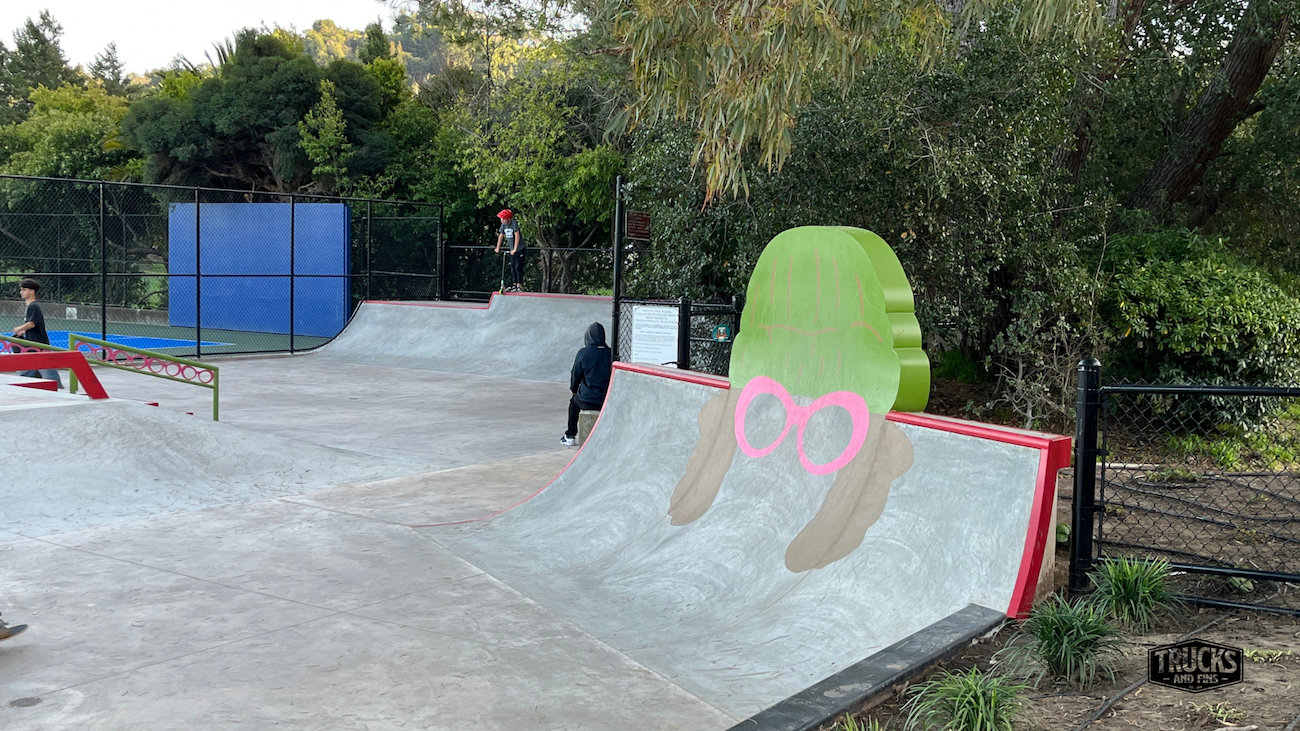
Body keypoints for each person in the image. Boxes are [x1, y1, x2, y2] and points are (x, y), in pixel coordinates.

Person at [562, 322, 612, 446]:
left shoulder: (584, 353)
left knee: (573, 403)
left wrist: (573, 389)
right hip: (607, 399)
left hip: (587, 399)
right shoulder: (611, 353)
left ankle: (570, 435)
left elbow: (575, 374)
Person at [11, 278, 61, 389]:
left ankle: (57, 386)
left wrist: (19, 328)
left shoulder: (33, 306)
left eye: (24, 290)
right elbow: (33, 324)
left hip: (38, 344)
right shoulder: (31, 306)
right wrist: (24, 331)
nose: (21, 292)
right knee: (32, 367)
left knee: (42, 369)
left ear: (32, 291)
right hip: (33, 344)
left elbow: (32, 323)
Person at [493, 209, 526, 292]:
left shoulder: (513, 223)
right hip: (512, 249)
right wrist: (498, 247)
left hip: (520, 248)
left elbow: (517, 236)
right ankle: (514, 284)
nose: (502, 221)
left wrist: (515, 249)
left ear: (508, 219)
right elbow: (501, 236)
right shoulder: (503, 225)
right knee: (512, 267)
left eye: (503, 219)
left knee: (518, 267)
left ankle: (519, 285)